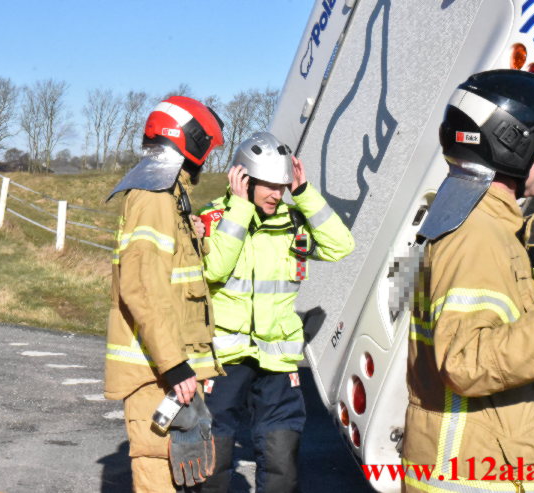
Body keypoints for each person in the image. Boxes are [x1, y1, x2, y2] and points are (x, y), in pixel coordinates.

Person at [401, 70, 534, 493]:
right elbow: (465, 362)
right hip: (474, 478)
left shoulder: (481, 221)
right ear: (509, 144)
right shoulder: (477, 234)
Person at [196, 132, 355, 492]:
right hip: (226, 359)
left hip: (278, 363)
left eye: (282, 186)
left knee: (283, 458)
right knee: (214, 460)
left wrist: (305, 194)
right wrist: (239, 209)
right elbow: (215, 270)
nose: (276, 194)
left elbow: (341, 245)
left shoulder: (294, 223)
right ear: (244, 180)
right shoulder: (214, 219)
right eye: (268, 185)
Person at [104, 96, 226, 493]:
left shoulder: (169, 199)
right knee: (158, 476)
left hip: (169, 371)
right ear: (187, 143)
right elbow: (140, 285)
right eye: (203, 152)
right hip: (156, 374)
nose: (204, 163)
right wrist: (175, 366)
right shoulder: (154, 198)